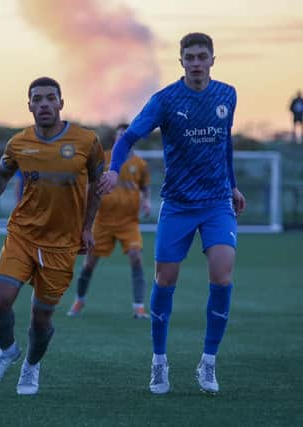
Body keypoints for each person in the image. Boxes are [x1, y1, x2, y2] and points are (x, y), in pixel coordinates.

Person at [97, 32, 246, 395]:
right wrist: (114, 169)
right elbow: (128, 137)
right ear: (181, 61)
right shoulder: (165, 100)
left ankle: (208, 363)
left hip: (216, 204)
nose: (196, 62)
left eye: (202, 56)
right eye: (190, 57)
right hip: (178, 205)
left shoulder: (228, 94)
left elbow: (223, 144)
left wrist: (232, 184)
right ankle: (159, 362)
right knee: (166, 280)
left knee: (223, 275)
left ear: (213, 59)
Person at [0, 76, 104, 395]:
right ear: (29, 105)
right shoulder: (19, 143)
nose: (44, 104)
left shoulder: (87, 141)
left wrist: (86, 228)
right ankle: (6, 351)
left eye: (50, 98)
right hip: (23, 234)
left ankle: (31, 366)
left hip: (63, 243)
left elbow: (97, 188)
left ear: (61, 103)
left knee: (40, 320)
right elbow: (1, 173)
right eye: (37, 99)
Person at [67, 123, 152, 319]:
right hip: (102, 222)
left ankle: (139, 307)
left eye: (126, 136)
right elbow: (88, 183)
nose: (122, 139)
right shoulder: (102, 159)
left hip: (128, 222)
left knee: (136, 258)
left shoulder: (140, 165)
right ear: (115, 139)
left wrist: (146, 201)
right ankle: (79, 300)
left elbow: (146, 187)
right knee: (89, 263)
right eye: (119, 135)